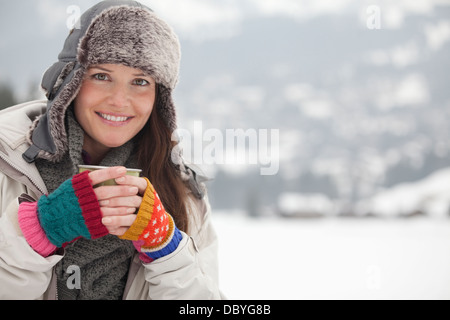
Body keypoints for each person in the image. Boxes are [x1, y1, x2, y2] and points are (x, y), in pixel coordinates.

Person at [0, 0, 224, 300]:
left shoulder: (184, 192)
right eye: (101, 76)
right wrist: (39, 229)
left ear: (160, 99)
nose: (120, 100)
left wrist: (166, 249)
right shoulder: (7, 164)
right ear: (71, 82)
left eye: (140, 81)